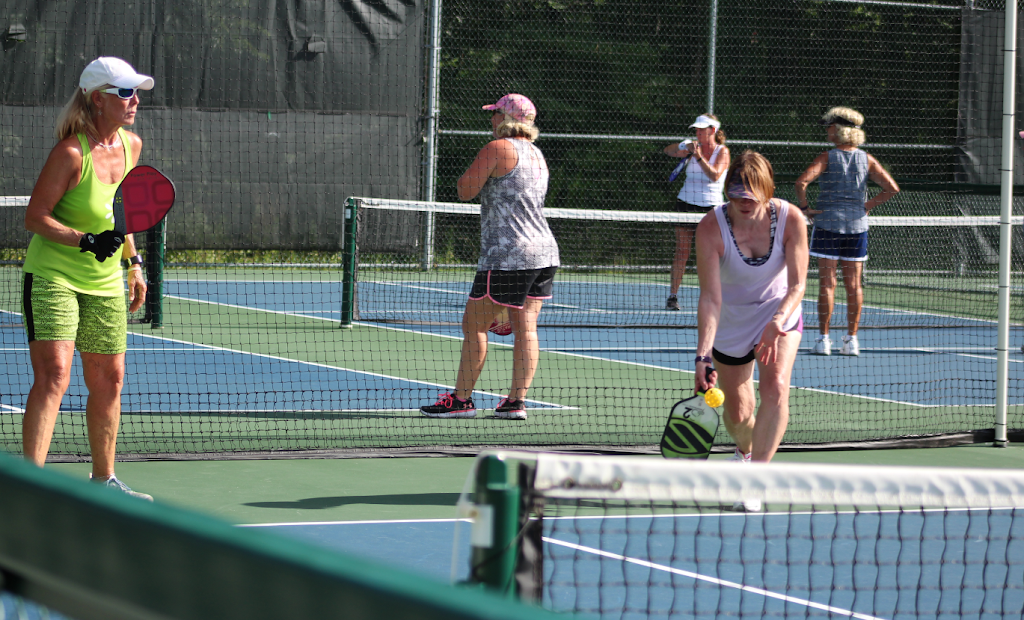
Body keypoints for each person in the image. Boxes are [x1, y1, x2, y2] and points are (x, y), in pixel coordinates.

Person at [21, 57, 154, 500]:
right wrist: (83, 240)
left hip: (104, 283)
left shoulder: (131, 146)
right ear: (98, 99)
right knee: (55, 375)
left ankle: (104, 482)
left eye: (135, 92)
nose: (134, 100)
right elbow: (35, 218)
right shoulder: (70, 152)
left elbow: (127, 214)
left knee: (110, 379)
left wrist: (134, 264)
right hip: (54, 275)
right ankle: (31, 488)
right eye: (124, 93)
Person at [420, 94, 559, 420]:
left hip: (508, 254)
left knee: (474, 325)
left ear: (507, 118)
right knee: (527, 329)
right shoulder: (538, 155)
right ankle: (515, 403)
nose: (492, 119)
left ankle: (462, 400)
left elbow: (465, 189)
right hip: (545, 251)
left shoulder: (497, 149)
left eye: (495, 113)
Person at [694, 150, 808, 478]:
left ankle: (756, 479)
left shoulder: (791, 219)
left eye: (752, 196)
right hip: (731, 317)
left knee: (776, 386)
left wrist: (776, 322)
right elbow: (711, 299)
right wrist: (703, 356)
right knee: (739, 414)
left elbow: (798, 285)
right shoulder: (711, 227)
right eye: (736, 195)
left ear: (767, 191)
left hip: (779, 308)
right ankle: (744, 451)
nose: (744, 203)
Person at [795, 107, 900, 356]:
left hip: (828, 225)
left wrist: (805, 208)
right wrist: (865, 207)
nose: (827, 130)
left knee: (827, 284)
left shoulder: (826, 157)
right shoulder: (867, 159)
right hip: (856, 227)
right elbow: (892, 188)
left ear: (839, 129)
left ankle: (824, 340)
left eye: (830, 126)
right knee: (854, 285)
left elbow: (801, 182)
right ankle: (851, 341)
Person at [663, 114, 730, 311]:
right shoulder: (691, 147)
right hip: (685, 204)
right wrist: (682, 147)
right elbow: (667, 151)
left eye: (702, 129)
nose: (698, 132)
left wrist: (698, 156)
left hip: (710, 209)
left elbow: (715, 176)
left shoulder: (722, 152)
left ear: (713, 131)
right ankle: (672, 297)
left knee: (712, 254)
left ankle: (715, 296)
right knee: (682, 251)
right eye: (696, 129)